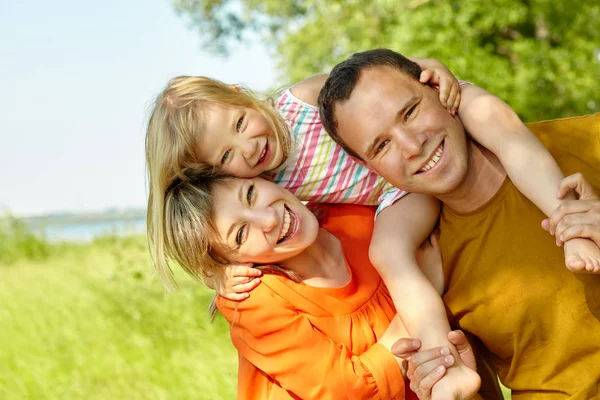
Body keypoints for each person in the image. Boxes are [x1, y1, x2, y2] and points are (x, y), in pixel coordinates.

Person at [145, 53, 598, 399]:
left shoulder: (299, 103)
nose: (247, 147)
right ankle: (444, 366)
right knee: (391, 254)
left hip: (427, 166)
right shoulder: (276, 192)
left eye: (240, 123)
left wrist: (428, 68)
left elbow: (369, 79)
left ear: (239, 96)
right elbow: (221, 228)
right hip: (397, 197)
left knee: (488, 117)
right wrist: (219, 272)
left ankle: (570, 218)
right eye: (226, 157)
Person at [317, 48, 600, 398]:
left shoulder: (587, 140)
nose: (411, 146)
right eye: (381, 146)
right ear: (371, 168)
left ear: (441, 89)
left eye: (410, 111)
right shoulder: (428, 263)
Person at [158, 173, 481, 399]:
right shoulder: (254, 302)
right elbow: (346, 390)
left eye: (252, 194)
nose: (268, 220)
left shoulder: (364, 218)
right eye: (241, 234)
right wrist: (420, 284)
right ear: (227, 261)